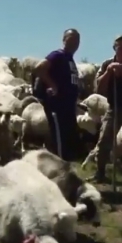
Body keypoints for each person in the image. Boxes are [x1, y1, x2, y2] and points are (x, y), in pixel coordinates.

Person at [89, 34, 122, 184]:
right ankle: (100, 173)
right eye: (119, 47)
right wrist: (108, 72)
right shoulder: (106, 63)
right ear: (114, 48)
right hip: (113, 107)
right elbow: (98, 87)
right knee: (104, 139)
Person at [33, 29, 81, 161]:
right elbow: (39, 68)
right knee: (59, 142)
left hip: (68, 108)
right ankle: (58, 170)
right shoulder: (57, 55)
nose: (75, 42)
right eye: (71, 38)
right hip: (57, 106)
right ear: (64, 40)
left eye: (77, 39)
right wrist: (52, 85)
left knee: (66, 141)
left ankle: (62, 170)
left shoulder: (70, 59)